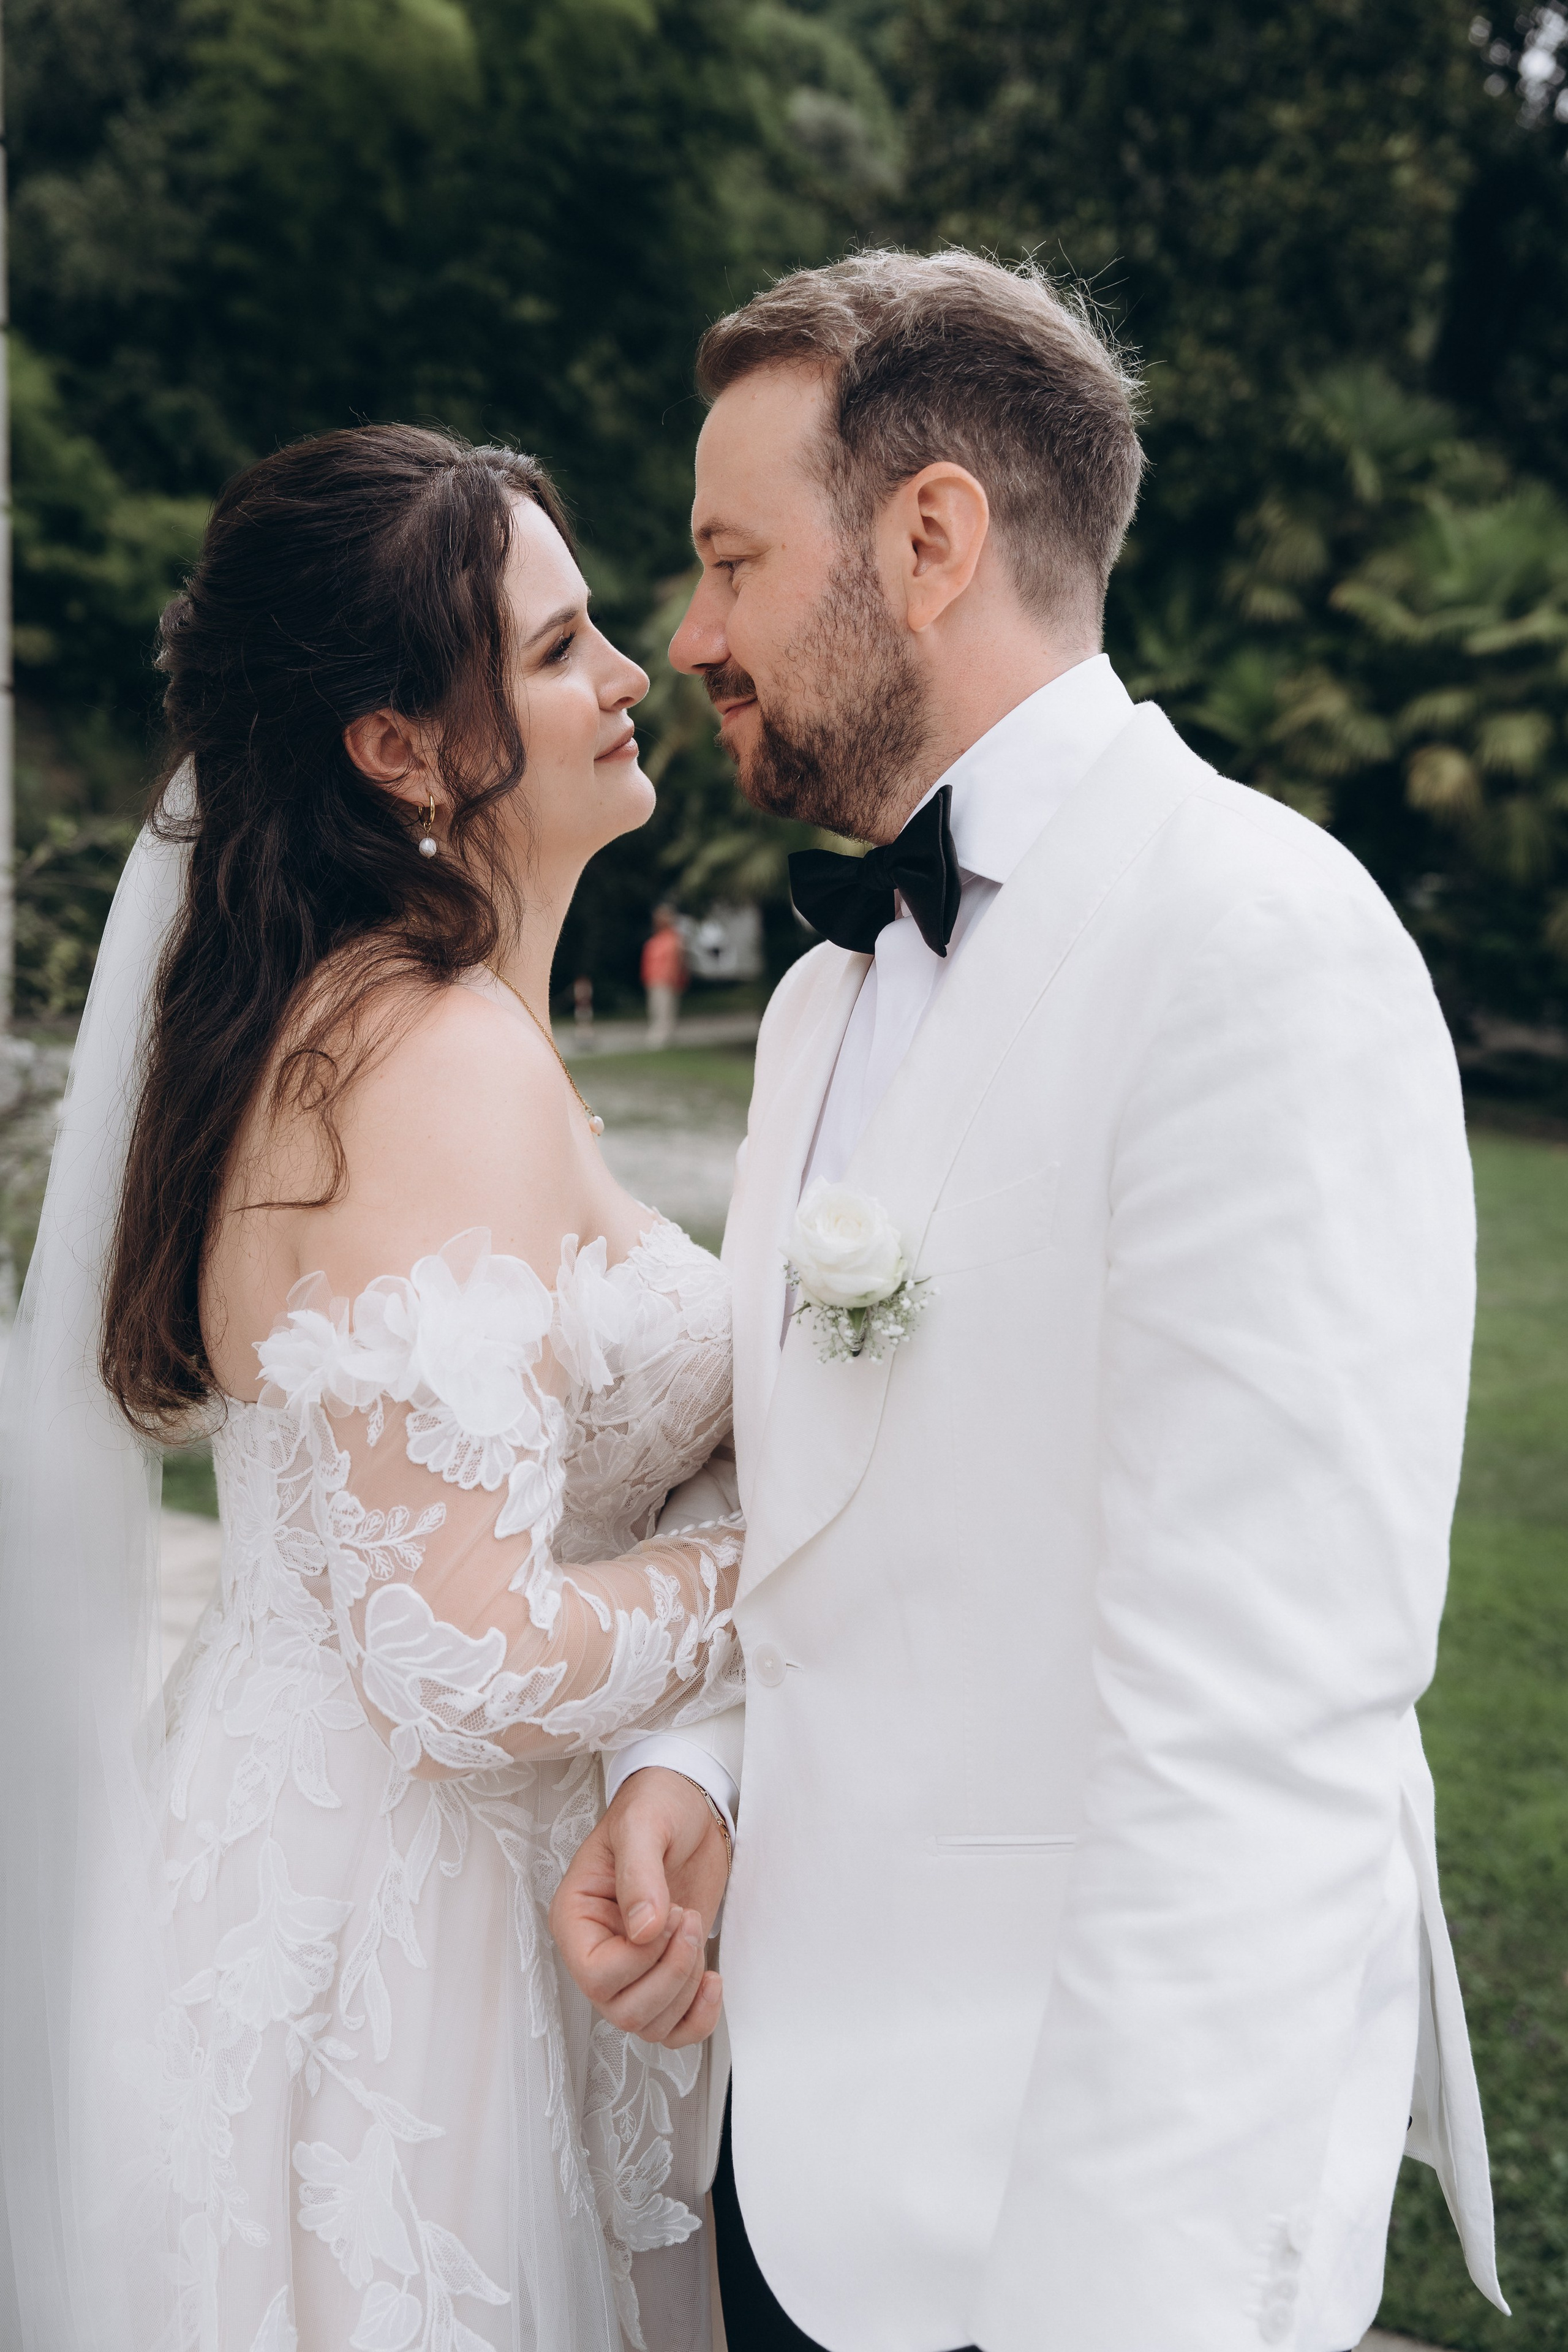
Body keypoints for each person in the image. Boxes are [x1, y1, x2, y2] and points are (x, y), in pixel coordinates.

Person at [549, 251, 1509, 2352]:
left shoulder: (1260, 944)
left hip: (1068, 2230)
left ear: (928, 538)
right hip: (787, 2167)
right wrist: (701, 1765)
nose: (687, 633)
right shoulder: (818, 1007)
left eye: (727, 559)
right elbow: (845, 1538)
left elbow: (1263, 1754)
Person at [0, 425, 745, 2352]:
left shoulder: (357, 1021)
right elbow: (463, 1654)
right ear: (399, 747)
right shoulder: (424, 1052)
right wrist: (790, 1549)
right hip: (399, 1963)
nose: (629, 673)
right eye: (564, 644)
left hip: (330, 1869)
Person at [641, 903, 688, 1047]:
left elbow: (679, 961)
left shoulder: (674, 939)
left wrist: (677, 977)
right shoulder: (657, 938)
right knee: (657, 1008)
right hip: (654, 979)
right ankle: (662, 1034)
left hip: (666, 979)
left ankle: (662, 1037)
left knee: (664, 1009)